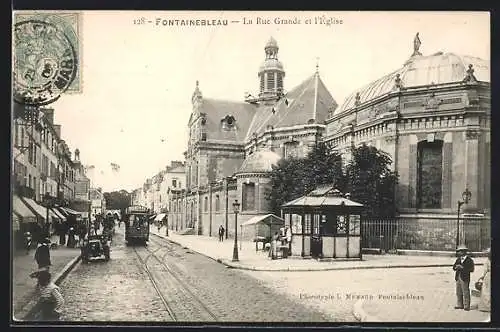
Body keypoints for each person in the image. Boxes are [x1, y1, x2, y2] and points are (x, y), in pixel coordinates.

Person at [453, 245, 475, 311]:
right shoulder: (458, 259)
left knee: (465, 291)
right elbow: (453, 267)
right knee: (458, 291)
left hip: (465, 277)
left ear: (464, 252)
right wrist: (456, 267)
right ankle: (460, 305)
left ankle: (466, 306)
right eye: (458, 251)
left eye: (460, 251)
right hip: (458, 277)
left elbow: (471, 269)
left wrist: (463, 268)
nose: (459, 253)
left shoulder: (469, 260)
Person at [478, 248, 491, 312]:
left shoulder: (487, 260)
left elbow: (485, 270)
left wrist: (482, 276)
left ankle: (486, 306)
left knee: (486, 291)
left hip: (488, 276)